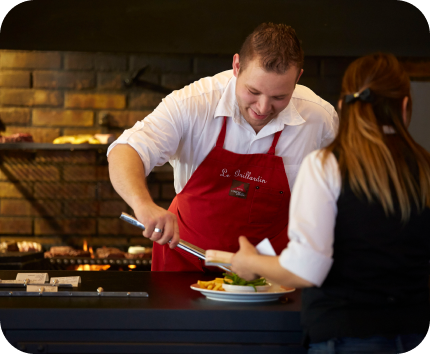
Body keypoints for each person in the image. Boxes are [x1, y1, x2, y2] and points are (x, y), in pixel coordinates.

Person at [230, 53, 430, 353]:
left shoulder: (327, 165)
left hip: (344, 336)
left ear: (342, 106)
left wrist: (248, 263)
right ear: (404, 106)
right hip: (415, 332)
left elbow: (306, 269)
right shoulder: (425, 167)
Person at [107, 23, 338, 271]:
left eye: (279, 97)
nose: (262, 108)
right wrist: (143, 205)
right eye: (253, 91)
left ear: (298, 78)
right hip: (186, 259)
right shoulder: (193, 103)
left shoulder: (319, 119)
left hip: (270, 272)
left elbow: (341, 194)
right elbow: (126, 150)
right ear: (237, 66)